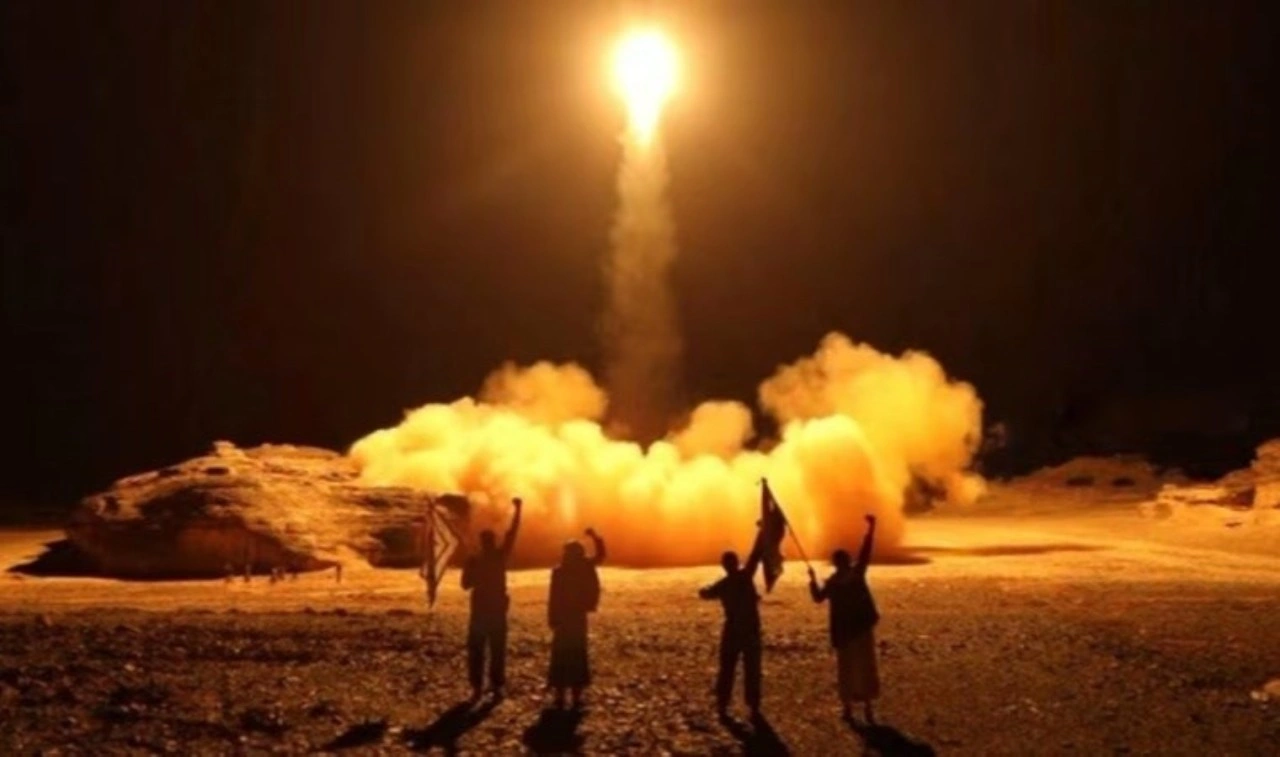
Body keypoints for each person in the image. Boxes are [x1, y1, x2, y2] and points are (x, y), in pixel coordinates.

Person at [808, 514, 881, 723]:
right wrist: (871, 529)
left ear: (835, 563)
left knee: (847, 668)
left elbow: (817, 598)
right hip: (860, 628)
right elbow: (866, 552)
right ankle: (866, 707)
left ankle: (848, 707)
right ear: (847, 561)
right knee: (865, 665)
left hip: (845, 632)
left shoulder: (834, 583)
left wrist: (812, 581)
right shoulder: (855, 576)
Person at [461, 497, 523, 700]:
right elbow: (512, 534)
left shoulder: (476, 560)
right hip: (495, 610)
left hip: (480, 610)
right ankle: (495, 685)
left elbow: (465, 585)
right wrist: (518, 510)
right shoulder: (498, 557)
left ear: (481, 542)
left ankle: (477, 687)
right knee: (496, 649)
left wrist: (470, 567)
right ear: (492, 541)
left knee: (478, 649)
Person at [698, 540, 764, 720]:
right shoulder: (745, 576)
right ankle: (753, 705)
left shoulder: (723, 585)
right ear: (737, 562)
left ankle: (723, 704)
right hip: (750, 629)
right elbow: (756, 555)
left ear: (724, 566)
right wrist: (762, 534)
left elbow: (705, 593)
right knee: (752, 668)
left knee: (727, 668)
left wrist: (704, 588)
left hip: (732, 630)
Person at [546, 527, 606, 709]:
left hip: (563, 617)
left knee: (561, 655)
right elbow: (601, 556)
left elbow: (553, 597)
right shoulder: (585, 567)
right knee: (577, 654)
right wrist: (595, 537)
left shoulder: (559, 571)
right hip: (577, 616)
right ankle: (576, 696)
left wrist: (552, 617)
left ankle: (560, 696)